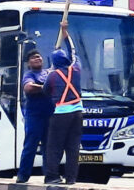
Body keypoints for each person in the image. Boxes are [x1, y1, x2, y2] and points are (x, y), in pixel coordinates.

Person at [43, 34, 83, 185]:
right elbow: (74, 52)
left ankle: (52, 176)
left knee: (54, 147)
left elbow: (46, 91)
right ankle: (71, 178)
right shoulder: (76, 69)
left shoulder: (52, 76)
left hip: (60, 114)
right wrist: (66, 35)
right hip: (78, 114)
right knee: (73, 148)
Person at [16, 49, 54, 183]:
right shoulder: (29, 74)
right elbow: (29, 88)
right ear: (28, 63)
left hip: (50, 115)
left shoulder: (49, 72)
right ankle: (23, 175)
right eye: (33, 58)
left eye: (38, 56)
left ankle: (50, 176)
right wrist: (45, 86)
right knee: (30, 145)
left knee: (49, 147)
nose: (37, 59)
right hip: (34, 116)